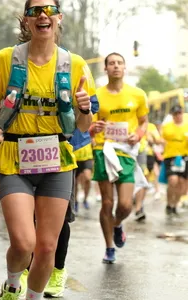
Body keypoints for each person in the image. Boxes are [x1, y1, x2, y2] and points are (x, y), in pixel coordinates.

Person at [0, 1, 95, 299]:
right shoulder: (8, 58)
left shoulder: (76, 64)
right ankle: (12, 284)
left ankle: (32, 296)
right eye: (35, 12)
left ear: (59, 18)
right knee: (23, 243)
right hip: (15, 156)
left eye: (49, 10)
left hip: (57, 157)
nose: (42, 15)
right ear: (26, 21)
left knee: (47, 246)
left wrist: (84, 107)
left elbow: (83, 126)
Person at [89, 52, 148, 263]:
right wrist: (93, 128)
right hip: (102, 149)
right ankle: (109, 248)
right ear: (105, 68)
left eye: (119, 63)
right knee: (107, 203)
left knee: (125, 205)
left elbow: (143, 122)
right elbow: (87, 125)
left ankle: (117, 224)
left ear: (125, 68)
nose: (115, 66)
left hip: (126, 152)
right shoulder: (96, 95)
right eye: (111, 63)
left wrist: (138, 135)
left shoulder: (137, 94)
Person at [161, 105, 188, 216]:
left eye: (179, 113)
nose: (178, 116)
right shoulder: (167, 127)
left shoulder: (187, 126)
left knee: (181, 184)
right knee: (173, 180)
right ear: (172, 115)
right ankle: (169, 203)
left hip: (184, 157)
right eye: (175, 114)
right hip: (171, 157)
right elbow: (161, 139)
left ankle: (175, 205)